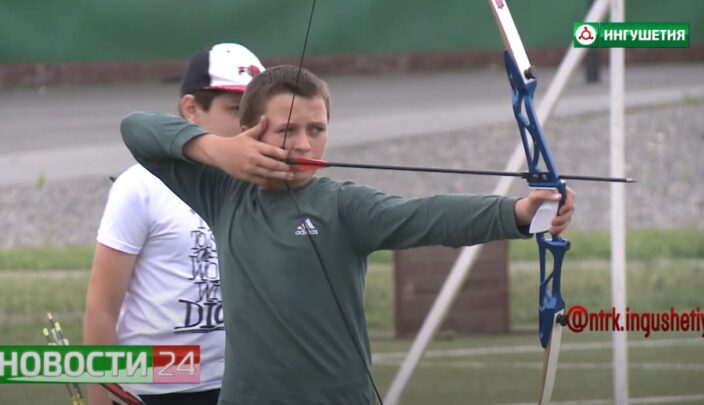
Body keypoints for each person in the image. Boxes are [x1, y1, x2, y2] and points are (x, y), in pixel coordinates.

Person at [120, 65, 575, 404]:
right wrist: (217, 149)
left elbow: (427, 216)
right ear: (249, 132)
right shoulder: (224, 193)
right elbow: (136, 129)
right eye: (286, 130)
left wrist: (519, 212)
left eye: (316, 130)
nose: (302, 144)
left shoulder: (342, 204)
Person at [83, 43, 277, 405]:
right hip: (157, 386)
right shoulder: (139, 187)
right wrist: (100, 398)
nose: (249, 126)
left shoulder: (264, 185)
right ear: (191, 109)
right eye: (235, 111)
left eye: (257, 113)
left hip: (241, 383)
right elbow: (102, 307)